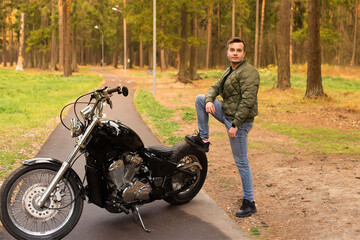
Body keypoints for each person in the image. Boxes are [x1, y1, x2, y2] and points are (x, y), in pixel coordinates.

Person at [185, 37, 260, 218]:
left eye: (239, 50)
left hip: (239, 123)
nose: (235, 53)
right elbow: (214, 87)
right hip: (226, 113)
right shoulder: (229, 71)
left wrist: (235, 125)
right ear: (227, 53)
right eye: (232, 50)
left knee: (241, 161)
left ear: (244, 53)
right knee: (201, 99)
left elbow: (248, 101)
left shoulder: (250, 72)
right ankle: (203, 139)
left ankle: (249, 202)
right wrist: (210, 100)